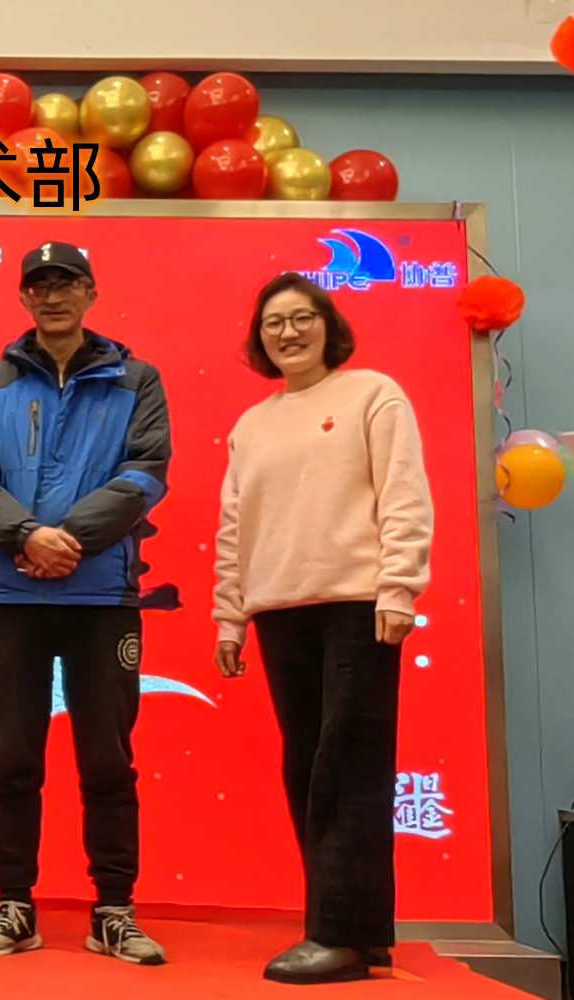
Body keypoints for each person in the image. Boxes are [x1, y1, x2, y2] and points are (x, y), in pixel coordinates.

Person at [0, 242, 171, 964]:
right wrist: (24, 535)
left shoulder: (136, 379)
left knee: (107, 758)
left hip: (101, 594)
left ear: (90, 292)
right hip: (7, 593)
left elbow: (146, 472)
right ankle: (13, 905)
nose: (51, 296)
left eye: (65, 283)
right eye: (38, 286)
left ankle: (114, 910)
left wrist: (66, 539)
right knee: (11, 756)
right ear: (24, 298)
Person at [213, 273, 432, 985]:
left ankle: (340, 935)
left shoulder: (372, 394)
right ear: (259, 337)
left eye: (301, 317)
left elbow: (403, 494)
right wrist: (230, 615)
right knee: (306, 767)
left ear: (327, 325)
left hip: (357, 605)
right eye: (272, 322)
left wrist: (398, 587)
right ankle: (351, 930)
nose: (287, 332)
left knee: (349, 766)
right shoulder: (252, 424)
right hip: (279, 610)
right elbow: (234, 526)